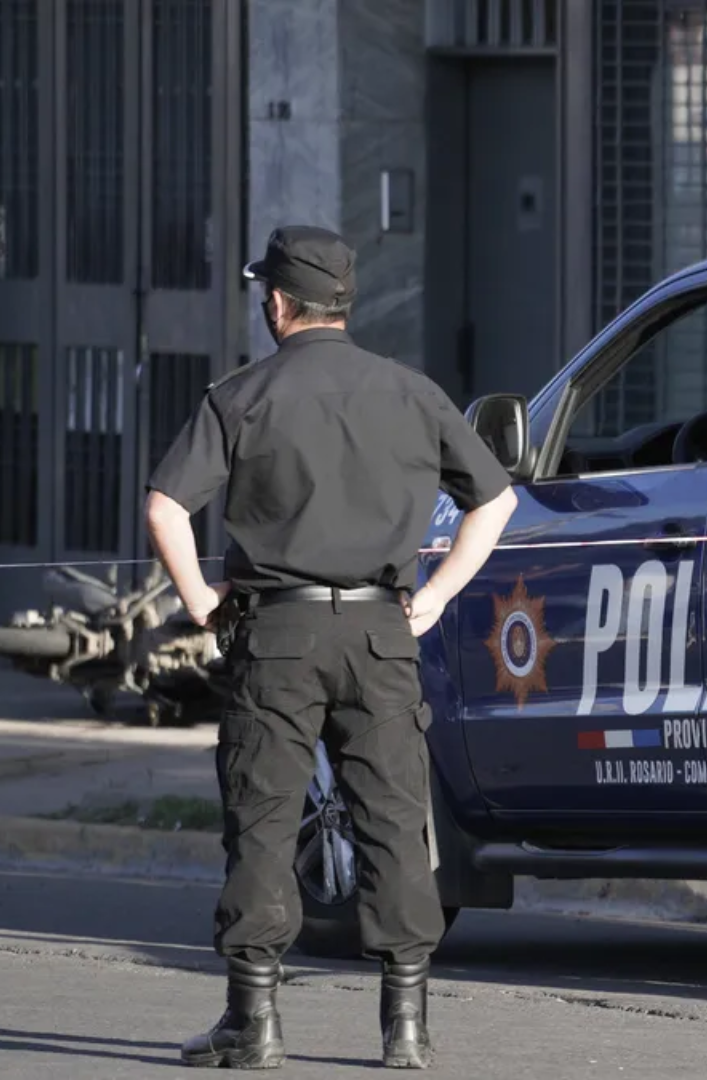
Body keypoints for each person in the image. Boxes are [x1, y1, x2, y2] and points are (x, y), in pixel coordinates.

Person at [145, 225, 519, 1069]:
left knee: (265, 819)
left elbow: (166, 506)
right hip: (382, 633)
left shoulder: (239, 396)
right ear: (343, 303)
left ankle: (254, 1022)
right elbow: (494, 503)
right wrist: (434, 597)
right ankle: (407, 1028)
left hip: (275, 633)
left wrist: (204, 603)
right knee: (392, 820)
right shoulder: (412, 393)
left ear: (278, 303)